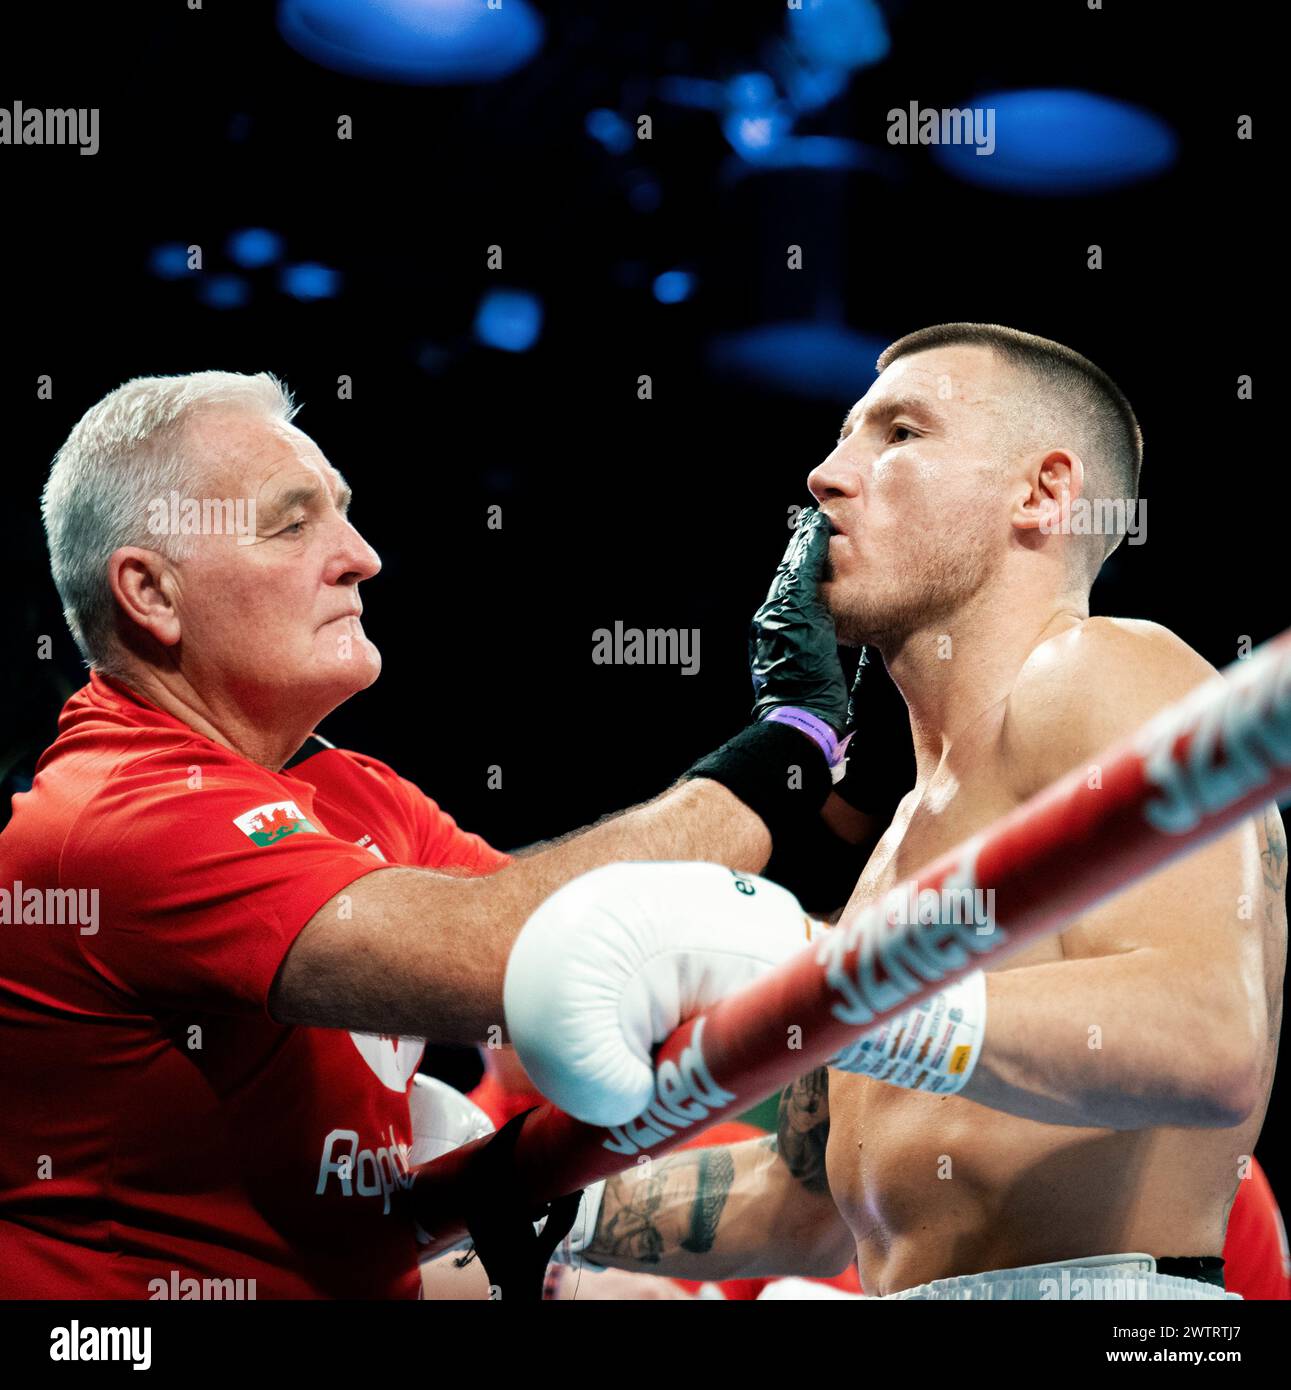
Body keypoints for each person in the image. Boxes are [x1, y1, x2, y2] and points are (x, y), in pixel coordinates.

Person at [0, 371, 868, 1298]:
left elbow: (567, 979)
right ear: (151, 593)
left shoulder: (351, 792)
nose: (361, 556)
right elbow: (539, 957)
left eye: (344, 513)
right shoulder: (119, 815)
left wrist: (844, 964)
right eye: (293, 524)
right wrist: (792, 741)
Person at [508, 324, 1287, 1301]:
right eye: (840, 439)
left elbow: (1208, 1037)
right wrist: (541, 1199)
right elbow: (798, 1207)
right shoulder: (893, 850)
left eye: (900, 433)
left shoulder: (1109, 667)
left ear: (1041, 493)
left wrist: (843, 989)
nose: (825, 476)